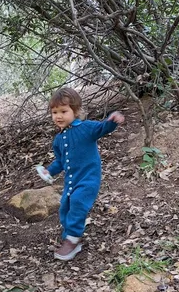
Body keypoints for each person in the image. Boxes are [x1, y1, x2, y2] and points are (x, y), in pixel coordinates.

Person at [37, 87, 124, 261]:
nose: (58, 116)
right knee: (65, 206)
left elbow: (102, 128)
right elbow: (61, 162)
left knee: (77, 201)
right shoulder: (59, 140)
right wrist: (49, 170)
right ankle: (69, 236)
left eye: (63, 111)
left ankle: (73, 239)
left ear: (75, 111)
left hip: (88, 179)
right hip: (71, 180)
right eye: (54, 112)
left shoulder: (86, 128)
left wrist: (112, 121)